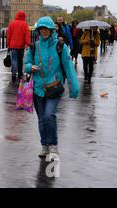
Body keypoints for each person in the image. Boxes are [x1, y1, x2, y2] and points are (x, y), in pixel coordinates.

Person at [25, 16, 79, 158]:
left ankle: (53, 145)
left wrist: (74, 86)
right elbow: (26, 64)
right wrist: (30, 67)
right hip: (38, 88)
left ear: (51, 30)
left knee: (49, 115)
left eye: (46, 29)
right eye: (41, 29)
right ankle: (45, 145)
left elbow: (68, 68)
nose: (44, 32)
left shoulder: (60, 46)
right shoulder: (34, 46)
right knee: (42, 119)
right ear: (38, 30)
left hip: (54, 87)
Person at [6, 10, 31, 84]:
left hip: (13, 45)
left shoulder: (12, 23)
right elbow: (27, 35)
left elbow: (8, 35)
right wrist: (27, 44)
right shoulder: (24, 24)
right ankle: (20, 74)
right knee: (20, 60)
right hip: (21, 46)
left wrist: (8, 44)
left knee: (14, 60)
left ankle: (13, 75)